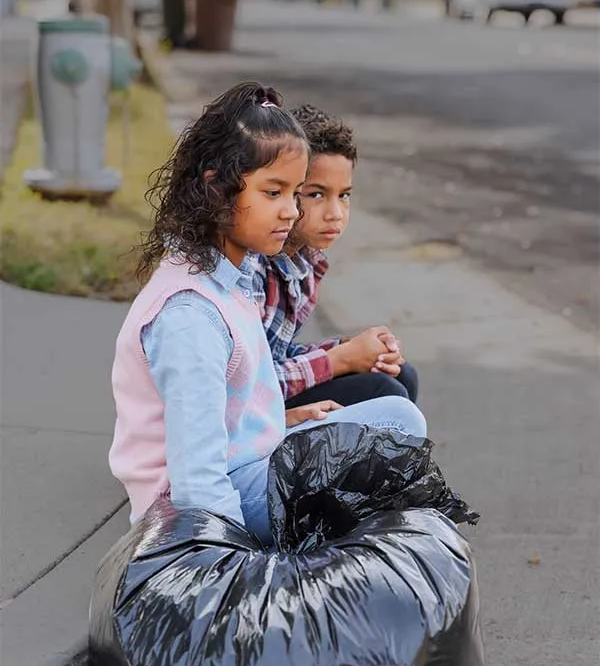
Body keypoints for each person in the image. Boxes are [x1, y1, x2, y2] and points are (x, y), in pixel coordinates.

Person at [109, 82, 427, 545]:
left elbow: (239, 403)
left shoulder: (231, 279)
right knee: (394, 435)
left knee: (399, 415)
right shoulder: (189, 314)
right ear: (215, 187)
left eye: (296, 193)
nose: (290, 212)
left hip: (254, 458)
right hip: (208, 500)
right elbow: (198, 482)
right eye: (273, 192)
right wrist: (235, 573)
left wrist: (288, 422)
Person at [252, 103, 419, 411]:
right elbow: (248, 384)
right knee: (383, 391)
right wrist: (340, 360)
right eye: (316, 194)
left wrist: (349, 350)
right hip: (247, 413)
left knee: (401, 375)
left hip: (270, 390)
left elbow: (278, 353)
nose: (335, 214)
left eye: (344, 195)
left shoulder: (306, 260)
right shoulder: (253, 266)